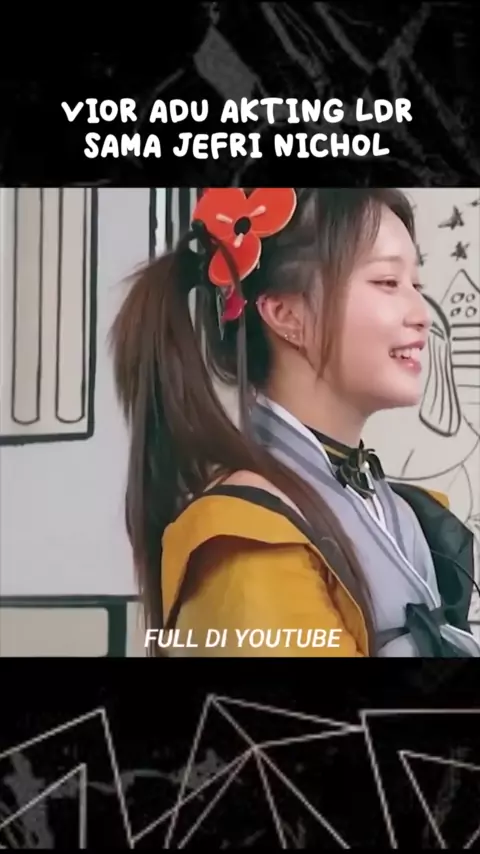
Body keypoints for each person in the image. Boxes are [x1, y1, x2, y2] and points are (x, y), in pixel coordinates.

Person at [110, 187, 480, 658]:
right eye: (388, 282)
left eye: (417, 286)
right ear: (287, 314)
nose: (422, 316)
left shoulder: (400, 512)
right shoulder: (245, 535)